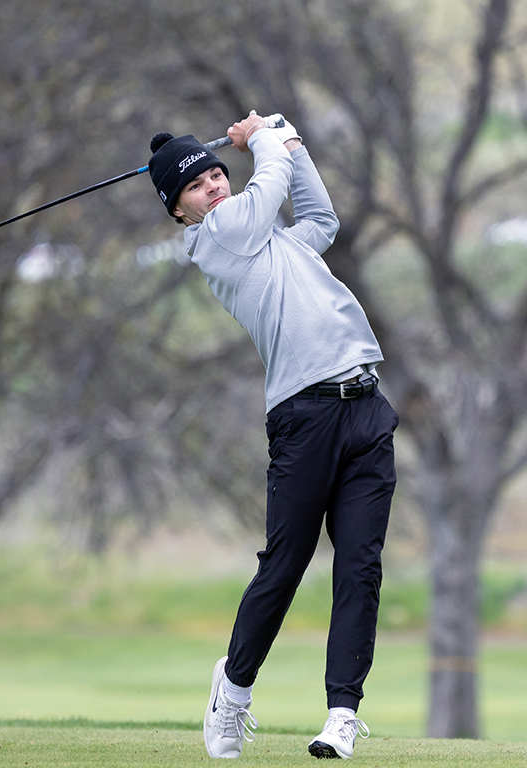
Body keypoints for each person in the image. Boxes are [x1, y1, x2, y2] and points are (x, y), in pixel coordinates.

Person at [148, 112, 398, 760]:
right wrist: (262, 139)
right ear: (178, 212)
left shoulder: (273, 240)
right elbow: (265, 192)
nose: (212, 186)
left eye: (214, 175)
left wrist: (291, 140)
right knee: (285, 565)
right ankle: (232, 690)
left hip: (365, 408)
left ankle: (342, 715)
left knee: (361, 567)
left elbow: (321, 220)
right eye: (195, 186)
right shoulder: (218, 235)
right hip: (303, 418)